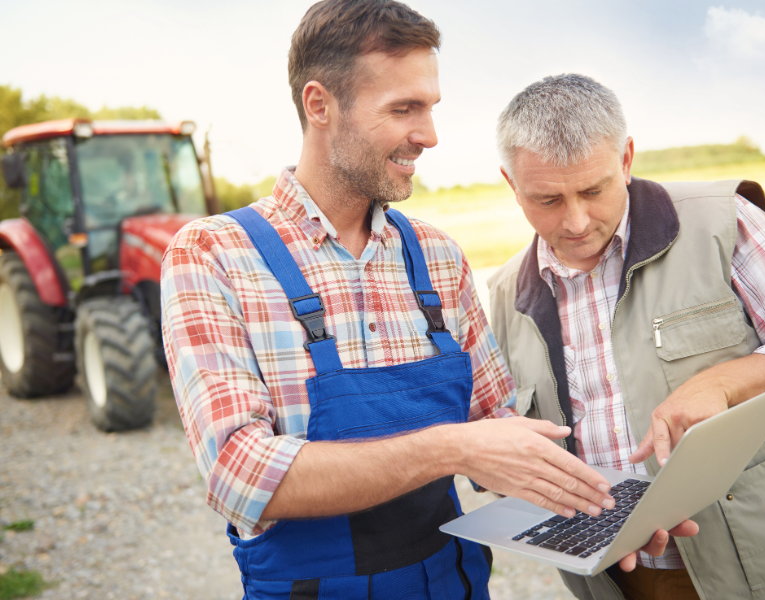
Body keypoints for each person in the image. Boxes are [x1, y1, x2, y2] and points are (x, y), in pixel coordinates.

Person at [161, 4, 683, 598]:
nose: (429, 135)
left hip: (452, 584)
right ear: (319, 104)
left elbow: (497, 432)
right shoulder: (213, 255)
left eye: (430, 107)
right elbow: (240, 476)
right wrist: (449, 448)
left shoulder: (435, 256)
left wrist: (610, 509)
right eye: (403, 109)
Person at [489, 73, 765, 600]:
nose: (577, 220)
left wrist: (727, 381)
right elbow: (499, 438)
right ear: (511, 184)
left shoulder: (722, 223)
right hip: (616, 580)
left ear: (627, 158)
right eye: (547, 199)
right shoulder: (500, 296)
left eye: (593, 190)